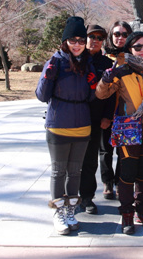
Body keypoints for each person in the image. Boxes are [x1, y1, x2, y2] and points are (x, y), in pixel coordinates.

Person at [35, 16, 97, 235]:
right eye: (73, 40)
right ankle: (58, 212)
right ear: (65, 41)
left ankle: (71, 210)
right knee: (58, 171)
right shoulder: (55, 61)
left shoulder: (88, 63)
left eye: (81, 40)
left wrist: (95, 84)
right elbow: (42, 96)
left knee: (75, 171)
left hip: (82, 125)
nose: (77, 44)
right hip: (58, 125)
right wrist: (47, 77)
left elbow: (91, 98)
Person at [96, 31, 143, 235]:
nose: (142, 51)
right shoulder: (122, 71)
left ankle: (142, 210)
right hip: (128, 130)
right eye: (137, 47)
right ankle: (126, 213)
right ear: (129, 50)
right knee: (127, 173)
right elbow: (101, 93)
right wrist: (106, 78)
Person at [79, 25, 116, 214]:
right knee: (73, 160)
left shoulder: (107, 63)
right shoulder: (75, 59)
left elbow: (112, 94)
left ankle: (87, 197)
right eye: (91, 36)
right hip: (75, 117)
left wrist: (107, 117)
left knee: (91, 159)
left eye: (100, 38)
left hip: (96, 117)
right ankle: (71, 197)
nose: (95, 40)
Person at [99, 20, 132, 199]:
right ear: (111, 36)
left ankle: (120, 181)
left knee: (123, 150)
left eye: (125, 34)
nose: (120, 37)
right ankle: (107, 181)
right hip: (106, 112)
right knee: (105, 150)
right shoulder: (104, 58)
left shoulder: (132, 58)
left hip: (125, 112)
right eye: (117, 34)